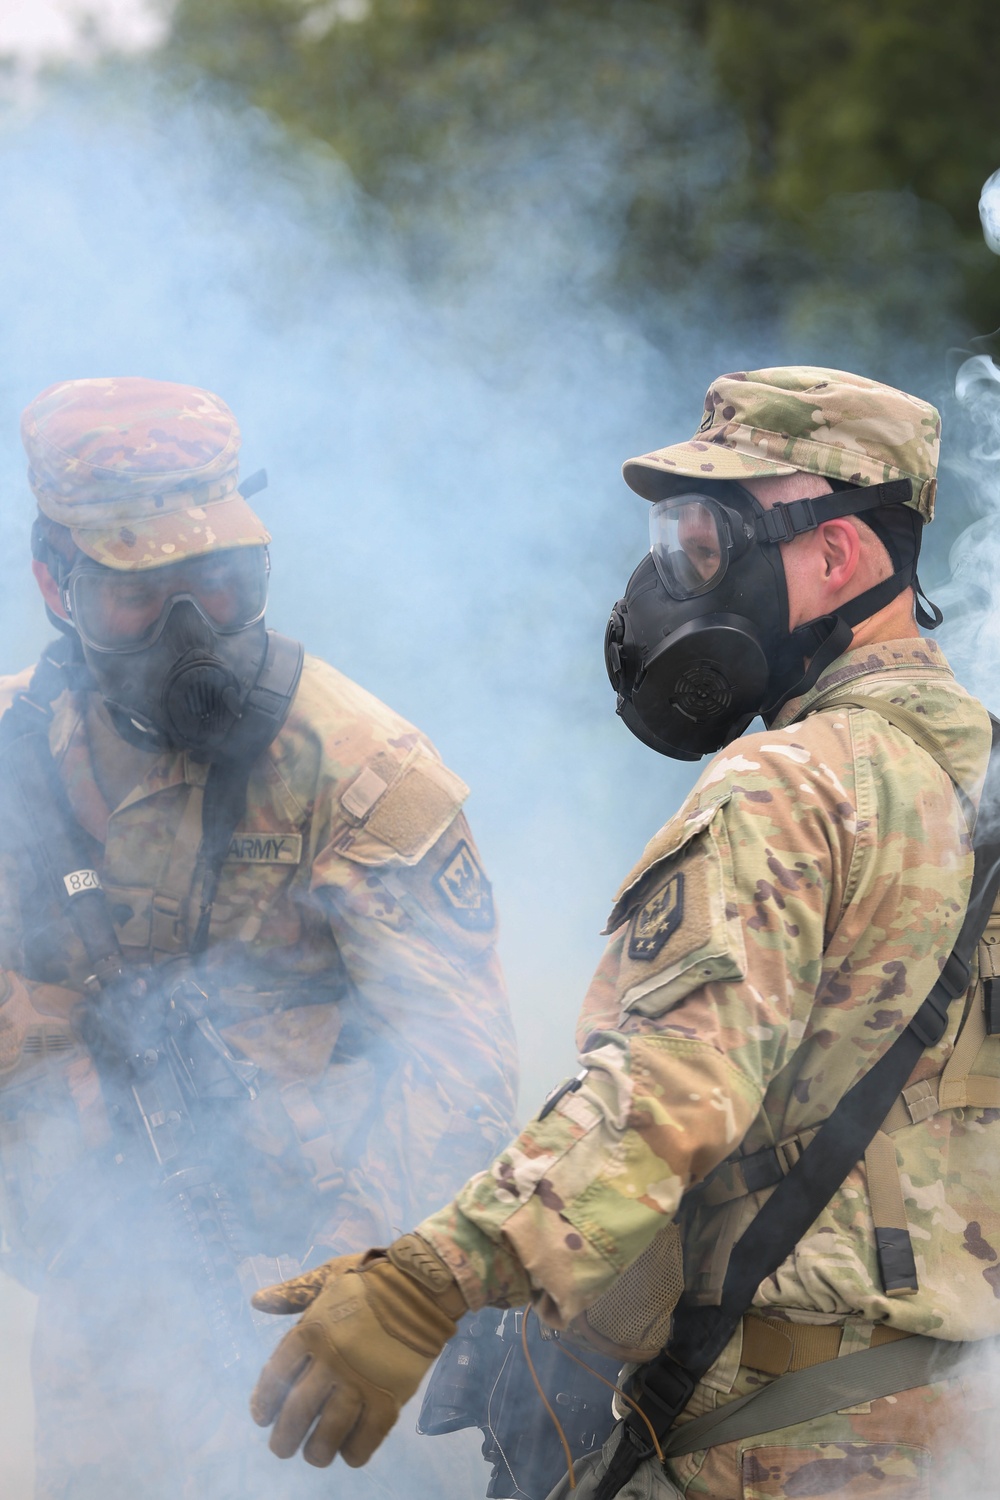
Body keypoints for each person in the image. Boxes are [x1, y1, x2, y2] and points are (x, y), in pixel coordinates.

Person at [248, 365, 1000, 1499]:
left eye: (709, 538)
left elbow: (665, 1092)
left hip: (761, 1446)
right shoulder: (977, 773)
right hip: (952, 1440)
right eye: (674, 537)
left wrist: (427, 1281)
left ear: (837, 557)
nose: (676, 576)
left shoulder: (789, 784)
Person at [0, 375, 518, 1500]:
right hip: (98, 1328)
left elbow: (464, 1080)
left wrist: (360, 1291)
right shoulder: (11, 751)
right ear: (56, 582)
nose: (197, 629)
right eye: (144, 591)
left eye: (226, 581)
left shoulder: (364, 774)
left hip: (315, 1351)